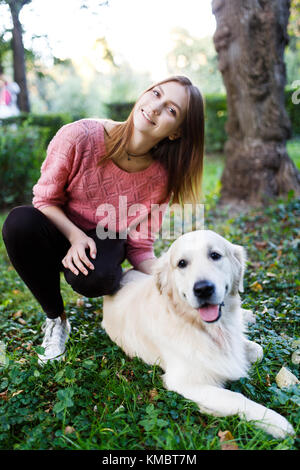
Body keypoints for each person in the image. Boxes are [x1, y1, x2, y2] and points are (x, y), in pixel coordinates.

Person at [2, 75, 204, 364]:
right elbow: (45, 200)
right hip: (58, 226)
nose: (157, 107)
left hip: (104, 240)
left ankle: (100, 281)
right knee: (18, 224)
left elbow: (140, 247)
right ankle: (56, 319)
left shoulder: (161, 179)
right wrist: (74, 237)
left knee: (97, 276)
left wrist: (176, 282)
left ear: (176, 133)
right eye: (156, 93)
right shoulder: (79, 136)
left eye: (172, 110)